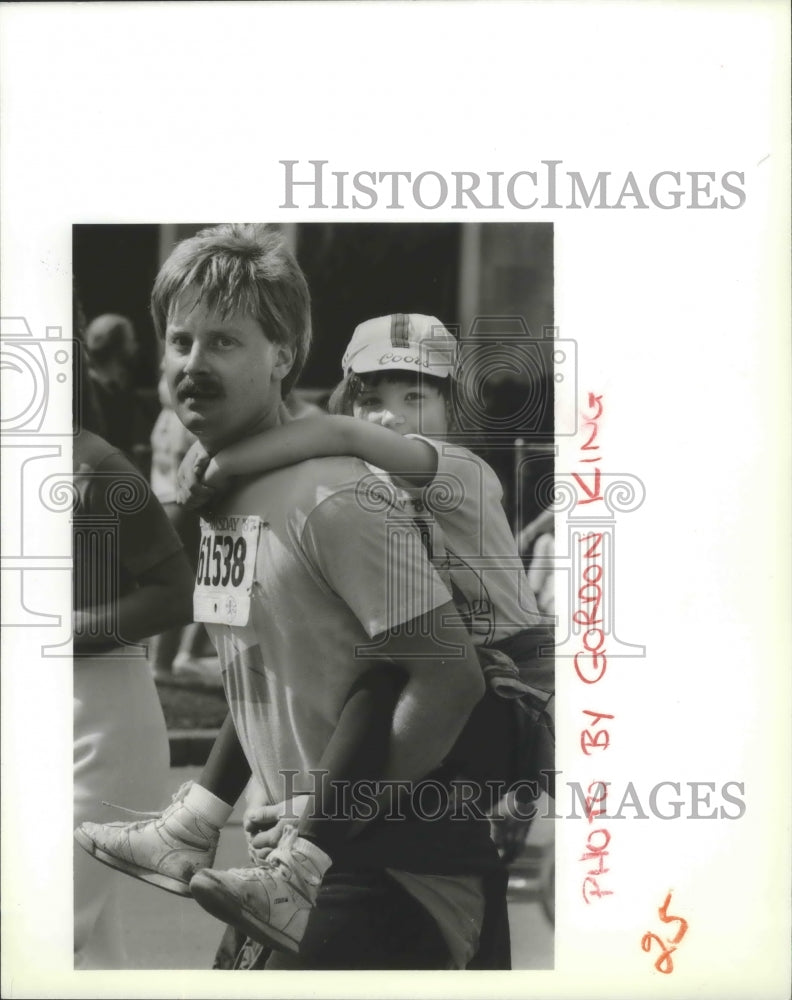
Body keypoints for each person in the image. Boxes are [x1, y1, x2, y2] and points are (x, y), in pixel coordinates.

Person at [75, 224, 504, 971]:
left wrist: (319, 821)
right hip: (295, 876)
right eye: (180, 342)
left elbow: (448, 678)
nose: (193, 364)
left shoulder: (335, 498)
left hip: (393, 884)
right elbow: (271, 677)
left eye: (225, 342)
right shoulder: (226, 493)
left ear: (282, 354)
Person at [72, 340, 195, 968]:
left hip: (98, 725)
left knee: (41, 928)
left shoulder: (96, 469)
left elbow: (176, 595)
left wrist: (52, 629)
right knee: (90, 950)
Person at [148, 370, 219, 685]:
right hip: (180, 506)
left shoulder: (162, 419)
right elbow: (185, 462)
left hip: (161, 503)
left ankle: (165, 659)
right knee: (190, 585)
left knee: (174, 584)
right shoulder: (183, 423)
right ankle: (167, 661)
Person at [83, 312, 153, 473]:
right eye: (130, 340)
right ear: (116, 347)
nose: (136, 346)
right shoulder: (87, 394)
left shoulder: (121, 389)